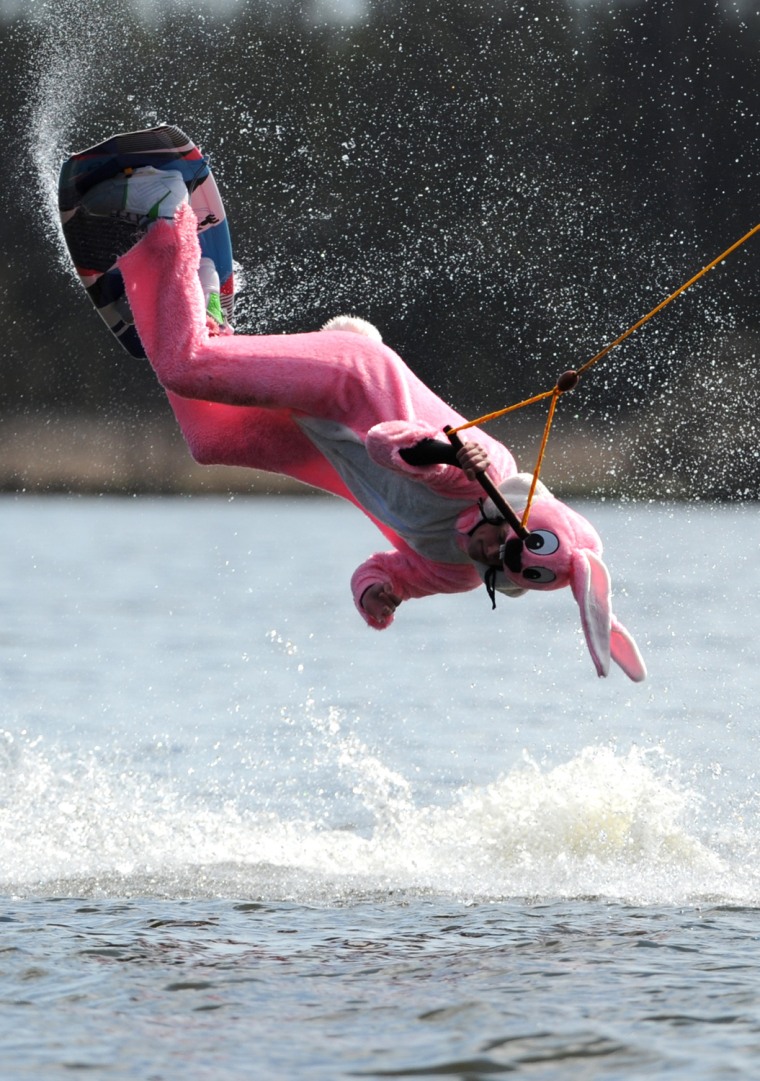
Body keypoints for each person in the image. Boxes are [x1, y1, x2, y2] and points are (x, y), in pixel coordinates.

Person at [76, 162, 646, 681]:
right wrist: (446, 455)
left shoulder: (455, 573)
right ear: (515, 515)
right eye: (505, 541)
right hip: (350, 381)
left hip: (319, 436)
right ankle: (165, 207)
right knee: (186, 367)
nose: (490, 552)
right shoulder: (485, 474)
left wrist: (378, 595)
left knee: (209, 438)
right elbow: (385, 441)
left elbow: (389, 570)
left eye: (500, 568)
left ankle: (199, 294)